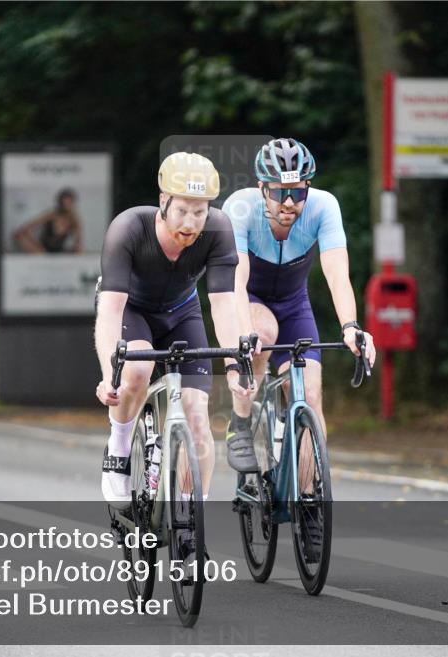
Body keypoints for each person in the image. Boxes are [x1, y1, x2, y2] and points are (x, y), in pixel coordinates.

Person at [222, 138, 376, 551]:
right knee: (263, 337)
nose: (290, 202)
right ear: (262, 188)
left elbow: (336, 273)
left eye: (298, 192)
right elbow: (233, 281)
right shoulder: (238, 208)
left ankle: (308, 501)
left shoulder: (324, 206)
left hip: (295, 306)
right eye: (280, 192)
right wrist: (242, 333)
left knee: (308, 393)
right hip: (251, 302)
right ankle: (241, 422)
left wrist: (350, 326)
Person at [95, 152, 253, 510]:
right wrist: (110, 375)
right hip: (131, 311)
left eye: (200, 212)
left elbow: (224, 304)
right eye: (182, 210)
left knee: (198, 414)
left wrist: (233, 366)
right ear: (163, 201)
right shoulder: (128, 228)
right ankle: (119, 447)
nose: (191, 222)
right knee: (136, 373)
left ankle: (191, 520)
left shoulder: (219, 230)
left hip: (182, 313)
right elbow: (110, 310)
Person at [13, 188, 84, 253]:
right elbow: (28, 227)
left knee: (80, 249)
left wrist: (76, 247)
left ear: (73, 203)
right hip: (42, 249)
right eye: (64, 203)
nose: (66, 205)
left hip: (59, 251)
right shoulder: (51, 215)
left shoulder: (74, 219)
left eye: (69, 203)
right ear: (60, 203)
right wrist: (33, 242)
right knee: (19, 235)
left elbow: (78, 240)